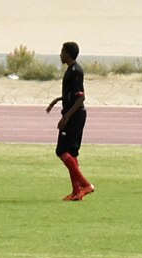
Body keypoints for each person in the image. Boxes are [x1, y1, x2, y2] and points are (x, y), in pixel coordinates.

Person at [45, 42, 93, 202]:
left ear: (68, 54)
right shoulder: (70, 71)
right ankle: (76, 192)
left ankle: (86, 185)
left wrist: (66, 117)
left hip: (75, 116)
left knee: (61, 151)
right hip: (74, 114)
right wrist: (57, 100)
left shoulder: (76, 71)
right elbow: (71, 95)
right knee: (71, 153)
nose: (60, 55)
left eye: (62, 52)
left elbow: (80, 98)